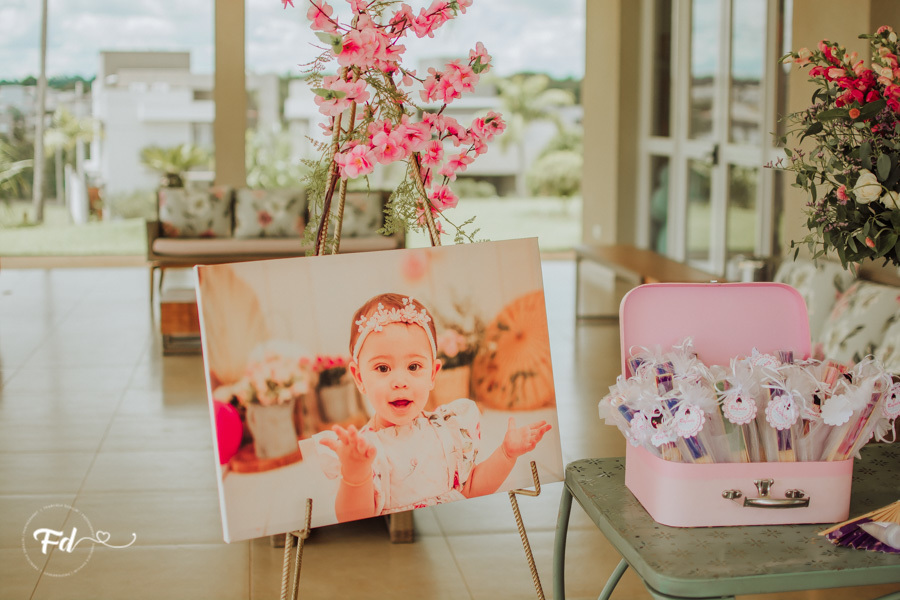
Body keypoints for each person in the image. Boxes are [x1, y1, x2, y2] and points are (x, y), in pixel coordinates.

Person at [315, 293, 552, 523]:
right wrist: (355, 473)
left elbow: (471, 490)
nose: (400, 382)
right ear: (359, 378)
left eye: (413, 366)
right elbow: (353, 519)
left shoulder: (446, 430)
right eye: (383, 368)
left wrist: (506, 454)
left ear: (432, 374)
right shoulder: (364, 451)